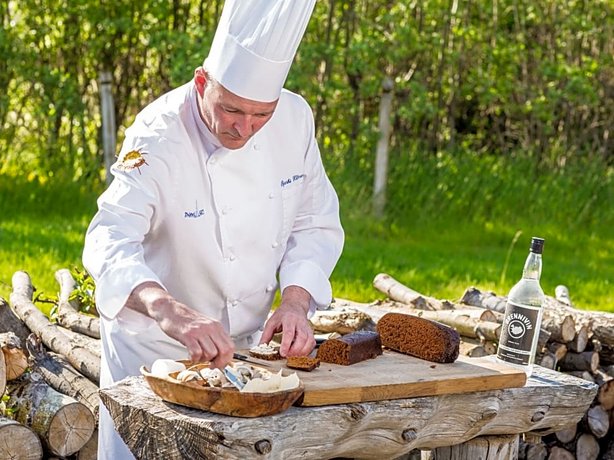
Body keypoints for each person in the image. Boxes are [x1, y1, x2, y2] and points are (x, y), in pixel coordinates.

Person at [82, 0, 344, 458]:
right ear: (202, 82)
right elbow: (109, 237)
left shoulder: (295, 118)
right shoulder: (156, 134)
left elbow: (314, 220)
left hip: (246, 358)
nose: (244, 129)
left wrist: (296, 302)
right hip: (155, 353)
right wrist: (168, 309)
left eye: (261, 115)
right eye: (231, 111)